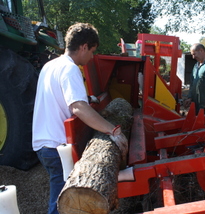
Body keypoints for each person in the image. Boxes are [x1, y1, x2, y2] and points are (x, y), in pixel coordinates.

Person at [32, 23, 128, 214]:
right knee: (64, 203)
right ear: (84, 46)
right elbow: (78, 108)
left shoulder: (50, 65)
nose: (92, 57)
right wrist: (113, 130)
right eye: (92, 51)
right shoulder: (70, 68)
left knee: (62, 196)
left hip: (42, 143)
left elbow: (62, 98)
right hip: (57, 146)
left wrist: (88, 98)